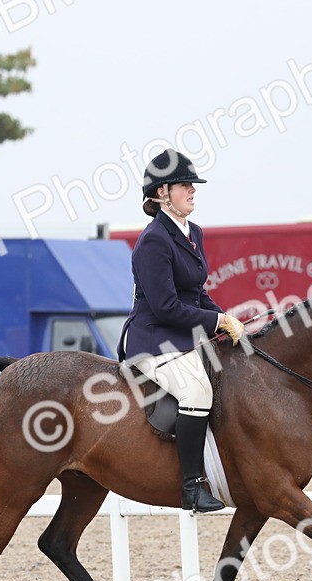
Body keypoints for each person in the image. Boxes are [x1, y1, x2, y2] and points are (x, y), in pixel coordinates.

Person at [117, 149, 245, 513]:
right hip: (152, 339)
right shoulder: (153, 240)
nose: (193, 191)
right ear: (161, 194)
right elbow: (165, 307)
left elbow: (196, 293)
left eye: (193, 185)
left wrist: (226, 318)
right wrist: (216, 323)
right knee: (197, 390)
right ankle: (191, 487)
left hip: (183, 337)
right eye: (184, 185)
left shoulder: (194, 233)